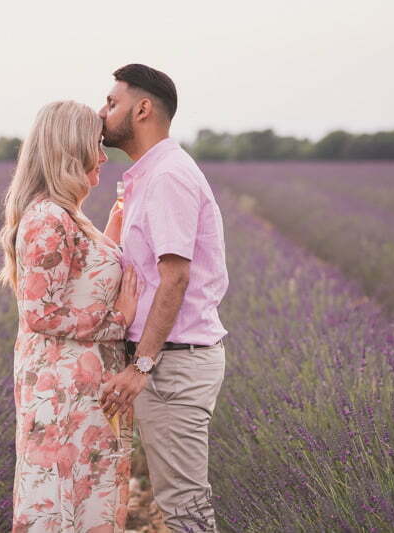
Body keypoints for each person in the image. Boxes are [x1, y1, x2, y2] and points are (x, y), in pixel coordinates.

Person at [0, 100, 142, 532]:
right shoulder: (48, 218)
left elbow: (77, 278)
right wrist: (119, 319)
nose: (102, 156)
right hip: (62, 395)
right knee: (64, 502)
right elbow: (40, 314)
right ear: (69, 150)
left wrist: (111, 236)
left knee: (85, 501)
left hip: (81, 391)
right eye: (95, 146)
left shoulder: (66, 215)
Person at [98, 64, 229, 532]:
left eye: (112, 103)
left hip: (173, 366)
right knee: (180, 502)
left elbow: (175, 278)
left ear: (143, 108)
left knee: (185, 507)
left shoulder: (168, 177)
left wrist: (143, 365)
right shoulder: (148, 176)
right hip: (167, 362)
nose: (102, 112)